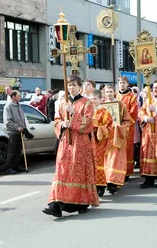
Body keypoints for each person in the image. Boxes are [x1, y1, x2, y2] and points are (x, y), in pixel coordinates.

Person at [42, 75, 99, 218]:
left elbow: (88, 124)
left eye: (74, 85)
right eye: (69, 85)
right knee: (61, 171)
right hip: (65, 143)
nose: (71, 87)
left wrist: (73, 112)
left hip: (81, 144)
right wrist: (62, 125)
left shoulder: (87, 103)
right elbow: (56, 121)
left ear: (80, 87)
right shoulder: (62, 103)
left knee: (77, 172)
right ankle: (55, 204)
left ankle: (80, 202)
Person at [103, 85, 132, 194]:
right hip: (105, 136)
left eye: (110, 92)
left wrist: (121, 128)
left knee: (115, 160)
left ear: (114, 92)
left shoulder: (121, 105)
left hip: (117, 136)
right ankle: (106, 180)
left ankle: (113, 183)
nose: (109, 94)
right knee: (106, 160)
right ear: (104, 93)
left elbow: (127, 120)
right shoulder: (102, 105)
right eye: (107, 92)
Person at [90, 90, 113, 197]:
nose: (93, 101)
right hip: (89, 141)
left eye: (95, 99)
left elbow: (109, 128)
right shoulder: (88, 111)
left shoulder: (105, 112)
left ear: (100, 99)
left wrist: (98, 128)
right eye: (91, 99)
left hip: (100, 141)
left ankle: (101, 186)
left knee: (99, 163)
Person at [3, 90, 32, 175]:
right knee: (12, 151)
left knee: (18, 151)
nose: (20, 97)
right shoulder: (8, 106)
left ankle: (16, 166)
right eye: (19, 95)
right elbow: (7, 121)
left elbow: (22, 118)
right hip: (13, 131)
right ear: (13, 96)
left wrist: (24, 128)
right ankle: (9, 167)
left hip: (20, 131)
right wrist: (17, 127)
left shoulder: (19, 106)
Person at [116, 76, 138, 181]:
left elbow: (133, 113)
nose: (122, 84)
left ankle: (127, 171)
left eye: (124, 82)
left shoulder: (132, 97)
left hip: (127, 127)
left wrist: (125, 122)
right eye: (120, 82)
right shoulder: (115, 96)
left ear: (127, 84)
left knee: (127, 148)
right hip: (115, 126)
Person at [131, 86, 142, 169]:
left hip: (137, 124)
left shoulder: (138, 101)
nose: (133, 94)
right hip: (130, 124)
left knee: (136, 143)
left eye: (135, 92)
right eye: (132, 92)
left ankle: (137, 160)